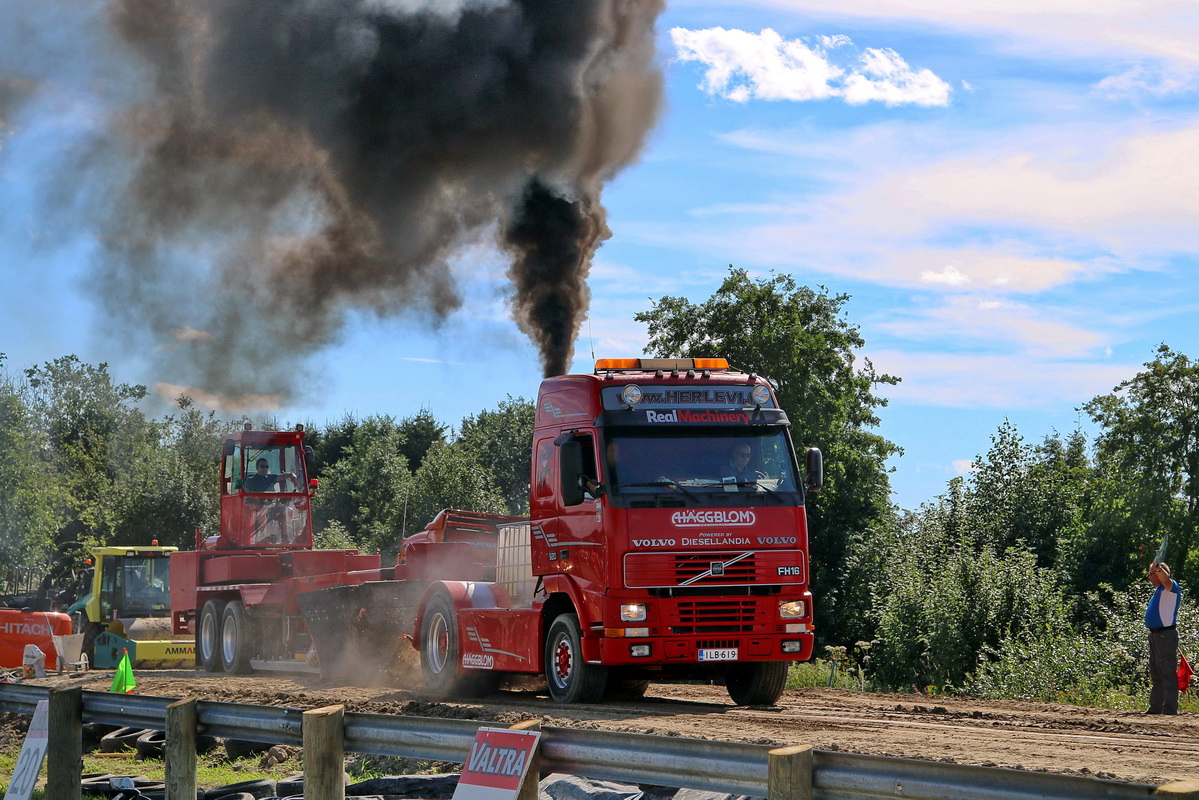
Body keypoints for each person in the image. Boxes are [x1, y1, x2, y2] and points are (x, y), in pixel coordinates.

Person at [1145, 561, 1182, 715]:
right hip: (1155, 635)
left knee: (1167, 672)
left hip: (1165, 635)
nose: (1149, 577)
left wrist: (1158, 567)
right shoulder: (1159, 590)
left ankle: (1169, 709)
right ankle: (1155, 707)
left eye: (1151, 573)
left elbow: (1166, 579)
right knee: (1156, 673)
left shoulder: (1170, 587)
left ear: (1160, 573)